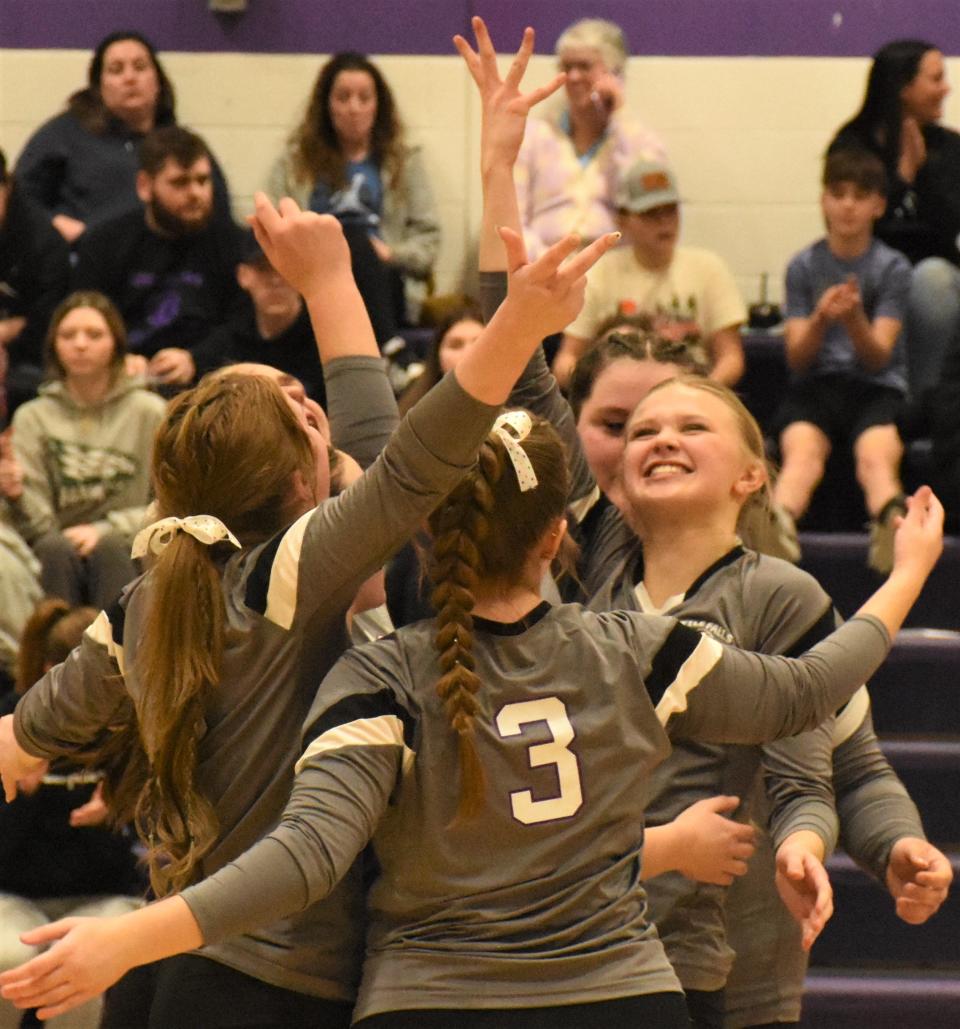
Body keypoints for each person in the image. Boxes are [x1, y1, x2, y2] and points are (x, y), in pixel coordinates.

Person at [0, 409, 943, 1028]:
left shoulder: (381, 675)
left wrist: (131, 933)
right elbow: (812, 687)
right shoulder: (642, 647)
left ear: (422, 534)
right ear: (556, 537)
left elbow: (308, 855)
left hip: (430, 1002)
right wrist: (904, 577)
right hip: (623, 996)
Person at [0, 169, 618, 1029]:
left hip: (187, 955)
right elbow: (410, 462)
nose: (315, 405)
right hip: (266, 975)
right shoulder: (287, 575)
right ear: (300, 477)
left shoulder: (156, 589)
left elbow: (16, 737)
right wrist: (502, 320)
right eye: (295, 404)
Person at [723, 693, 953, 1028]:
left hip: (757, 970)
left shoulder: (815, 645)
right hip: (632, 953)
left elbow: (854, 772)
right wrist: (666, 848)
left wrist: (895, 838)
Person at [0, 599, 143, 1029]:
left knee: (84, 967)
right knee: (8, 957)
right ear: (51, 675)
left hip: (102, 893)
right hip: (16, 893)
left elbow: (145, 844)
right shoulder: (11, 724)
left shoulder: (127, 725)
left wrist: (122, 806)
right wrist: (21, 797)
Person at [773, 148, 912, 573]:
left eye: (860, 195)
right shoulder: (802, 265)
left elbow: (878, 357)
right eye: (838, 193)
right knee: (802, 455)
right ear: (824, 201)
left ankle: (891, 522)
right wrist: (819, 318)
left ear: (878, 205)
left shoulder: (893, 268)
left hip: (875, 388)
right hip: (816, 386)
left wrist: (853, 319)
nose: (848, 205)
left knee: (875, 455)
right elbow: (797, 359)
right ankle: (775, 526)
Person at [0, 291, 167, 610]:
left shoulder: (151, 411)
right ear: (54, 346)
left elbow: (170, 501)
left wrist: (104, 528)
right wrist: (16, 493)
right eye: (68, 335)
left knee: (111, 548)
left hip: (128, 539)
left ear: (116, 343)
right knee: (53, 548)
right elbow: (40, 527)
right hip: (58, 545)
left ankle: (116, 655)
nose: (80, 344)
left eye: (94, 335)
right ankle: (52, 656)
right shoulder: (33, 417)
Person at [268, 51, 440, 330]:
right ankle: (393, 351)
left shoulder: (404, 162)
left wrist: (388, 253)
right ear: (327, 106)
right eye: (343, 97)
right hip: (315, 276)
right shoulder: (295, 163)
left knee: (357, 242)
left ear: (378, 106)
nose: (354, 108)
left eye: (364, 98)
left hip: (385, 280)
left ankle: (386, 340)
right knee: (343, 238)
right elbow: (273, 229)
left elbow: (428, 243)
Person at [829, 39, 960, 401]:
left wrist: (924, 176)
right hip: (868, 271)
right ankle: (865, 404)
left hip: (934, 274)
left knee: (931, 280)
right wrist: (901, 177)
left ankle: (924, 407)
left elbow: (949, 227)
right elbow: (850, 227)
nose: (946, 88)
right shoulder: (853, 145)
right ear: (904, 87)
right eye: (936, 79)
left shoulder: (949, 147)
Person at [14, 30, 232, 245]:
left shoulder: (179, 144)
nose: (130, 78)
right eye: (116, 70)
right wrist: (58, 225)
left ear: (157, 82)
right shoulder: (65, 133)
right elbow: (19, 197)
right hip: (84, 258)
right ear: (99, 86)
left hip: (168, 261)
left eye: (140, 67)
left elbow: (219, 210)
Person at [71, 126, 246, 387]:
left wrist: (195, 358)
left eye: (202, 180)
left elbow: (243, 322)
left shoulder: (232, 243)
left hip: (209, 379)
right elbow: (83, 314)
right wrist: (117, 358)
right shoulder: (104, 242)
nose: (195, 194)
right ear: (145, 186)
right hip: (120, 381)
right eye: (180, 182)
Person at [555, 158, 746, 388]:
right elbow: (567, 359)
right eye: (651, 213)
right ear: (622, 220)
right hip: (619, 395)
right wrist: (598, 390)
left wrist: (702, 394)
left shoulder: (708, 268)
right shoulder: (600, 273)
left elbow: (731, 357)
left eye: (671, 211)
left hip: (690, 390)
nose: (664, 222)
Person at [515, 17, 666, 262]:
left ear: (614, 73)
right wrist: (550, 263)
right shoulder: (533, 138)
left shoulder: (639, 141)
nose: (573, 77)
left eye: (584, 67)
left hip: (615, 274)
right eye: (566, 67)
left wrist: (620, 114)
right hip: (544, 270)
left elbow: (650, 205)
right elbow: (512, 221)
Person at [192, 233, 326, 406]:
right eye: (264, 268)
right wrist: (186, 360)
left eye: (286, 267)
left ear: (305, 272)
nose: (276, 279)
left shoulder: (327, 340)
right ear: (243, 276)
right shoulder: (231, 338)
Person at [0, 148, 71, 417]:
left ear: (7, 186)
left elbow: (47, 323)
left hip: (29, 357)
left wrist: (8, 334)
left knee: (29, 384)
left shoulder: (43, 242)